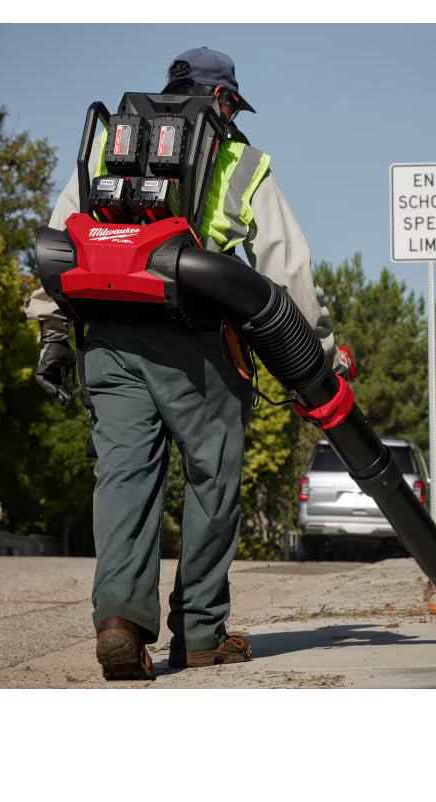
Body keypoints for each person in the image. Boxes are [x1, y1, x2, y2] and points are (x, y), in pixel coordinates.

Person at [25, 47, 341, 680]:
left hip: (109, 337)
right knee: (211, 480)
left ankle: (119, 623)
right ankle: (199, 632)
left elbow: (61, 239)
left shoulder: (108, 142)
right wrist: (322, 355)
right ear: (224, 99)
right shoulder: (239, 158)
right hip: (197, 344)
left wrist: (51, 329)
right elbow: (287, 267)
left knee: (122, 480)